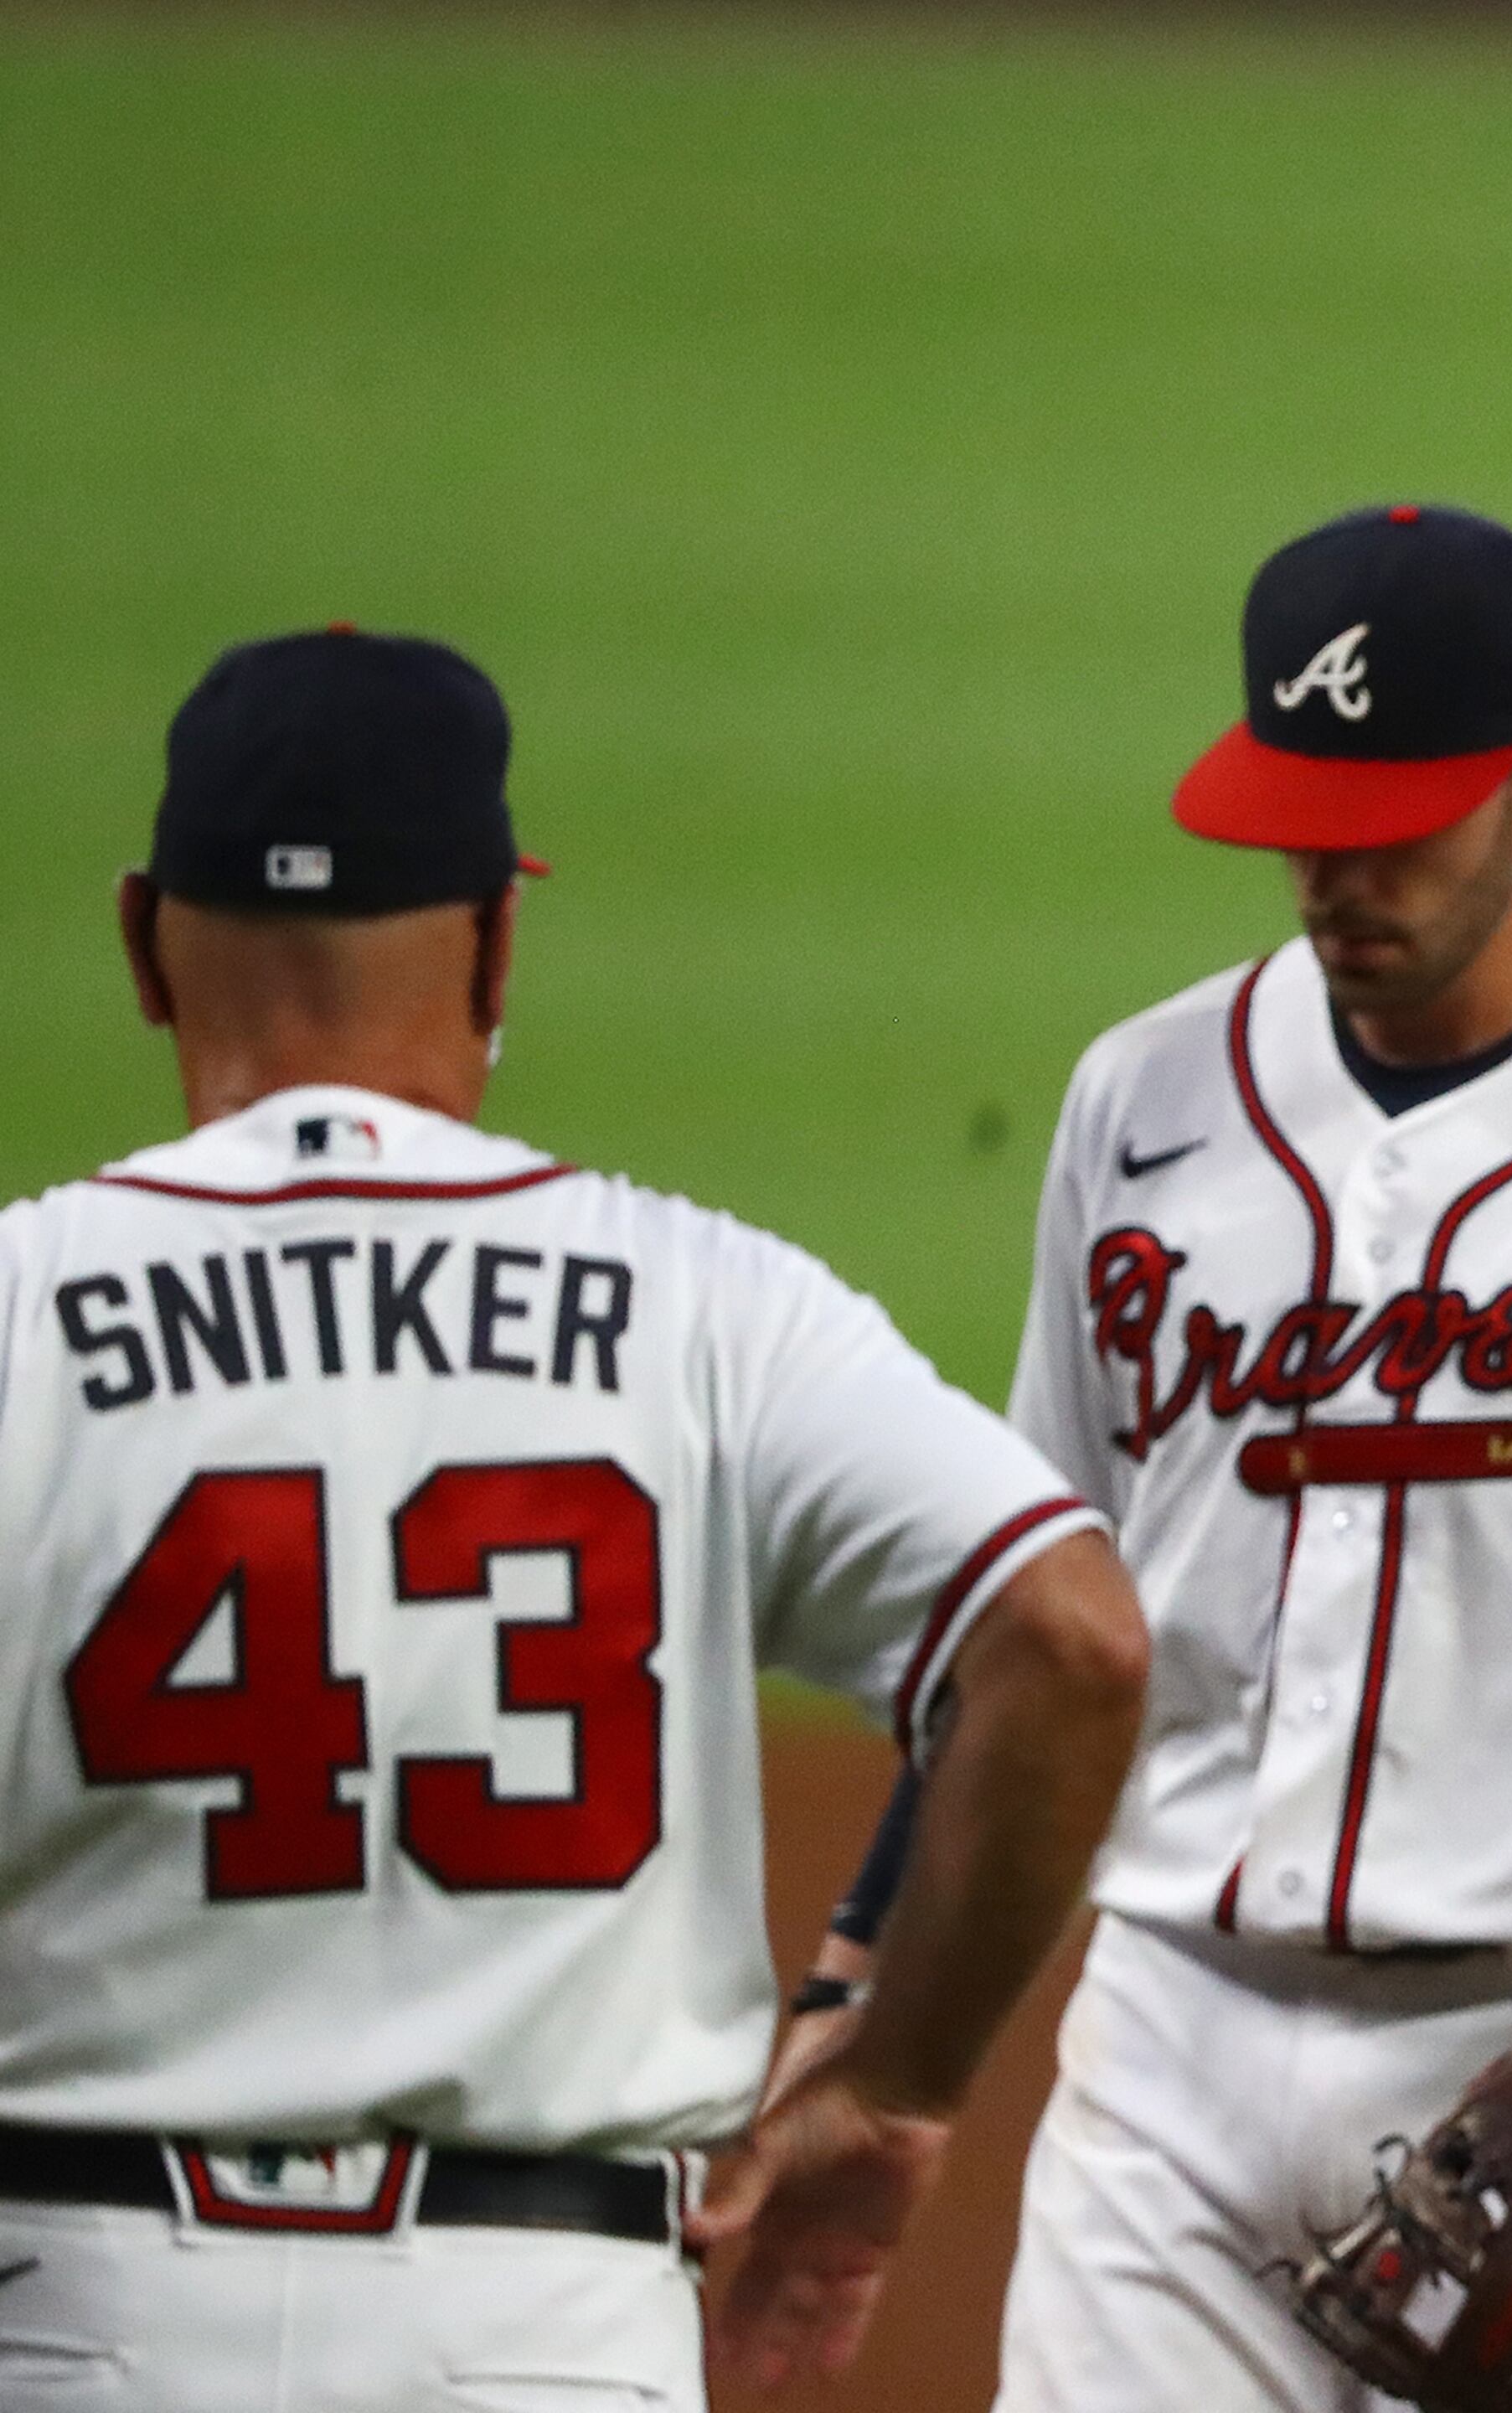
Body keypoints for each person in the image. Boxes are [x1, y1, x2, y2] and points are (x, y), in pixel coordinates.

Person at [777, 504, 1512, 2410]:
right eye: (1305, 818)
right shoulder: (1145, 1101)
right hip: (1169, 2053)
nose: (1336, 874)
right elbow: (1042, 1608)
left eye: (1396, 823)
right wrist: (862, 1968)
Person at [0, 628, 1151, 2407]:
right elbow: (1072, 1638)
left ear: (146, 946)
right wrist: (890, 2084)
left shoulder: (16, 1308)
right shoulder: (708, 1307)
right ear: (497, 945)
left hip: (84, 2323)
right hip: (542, 2343)